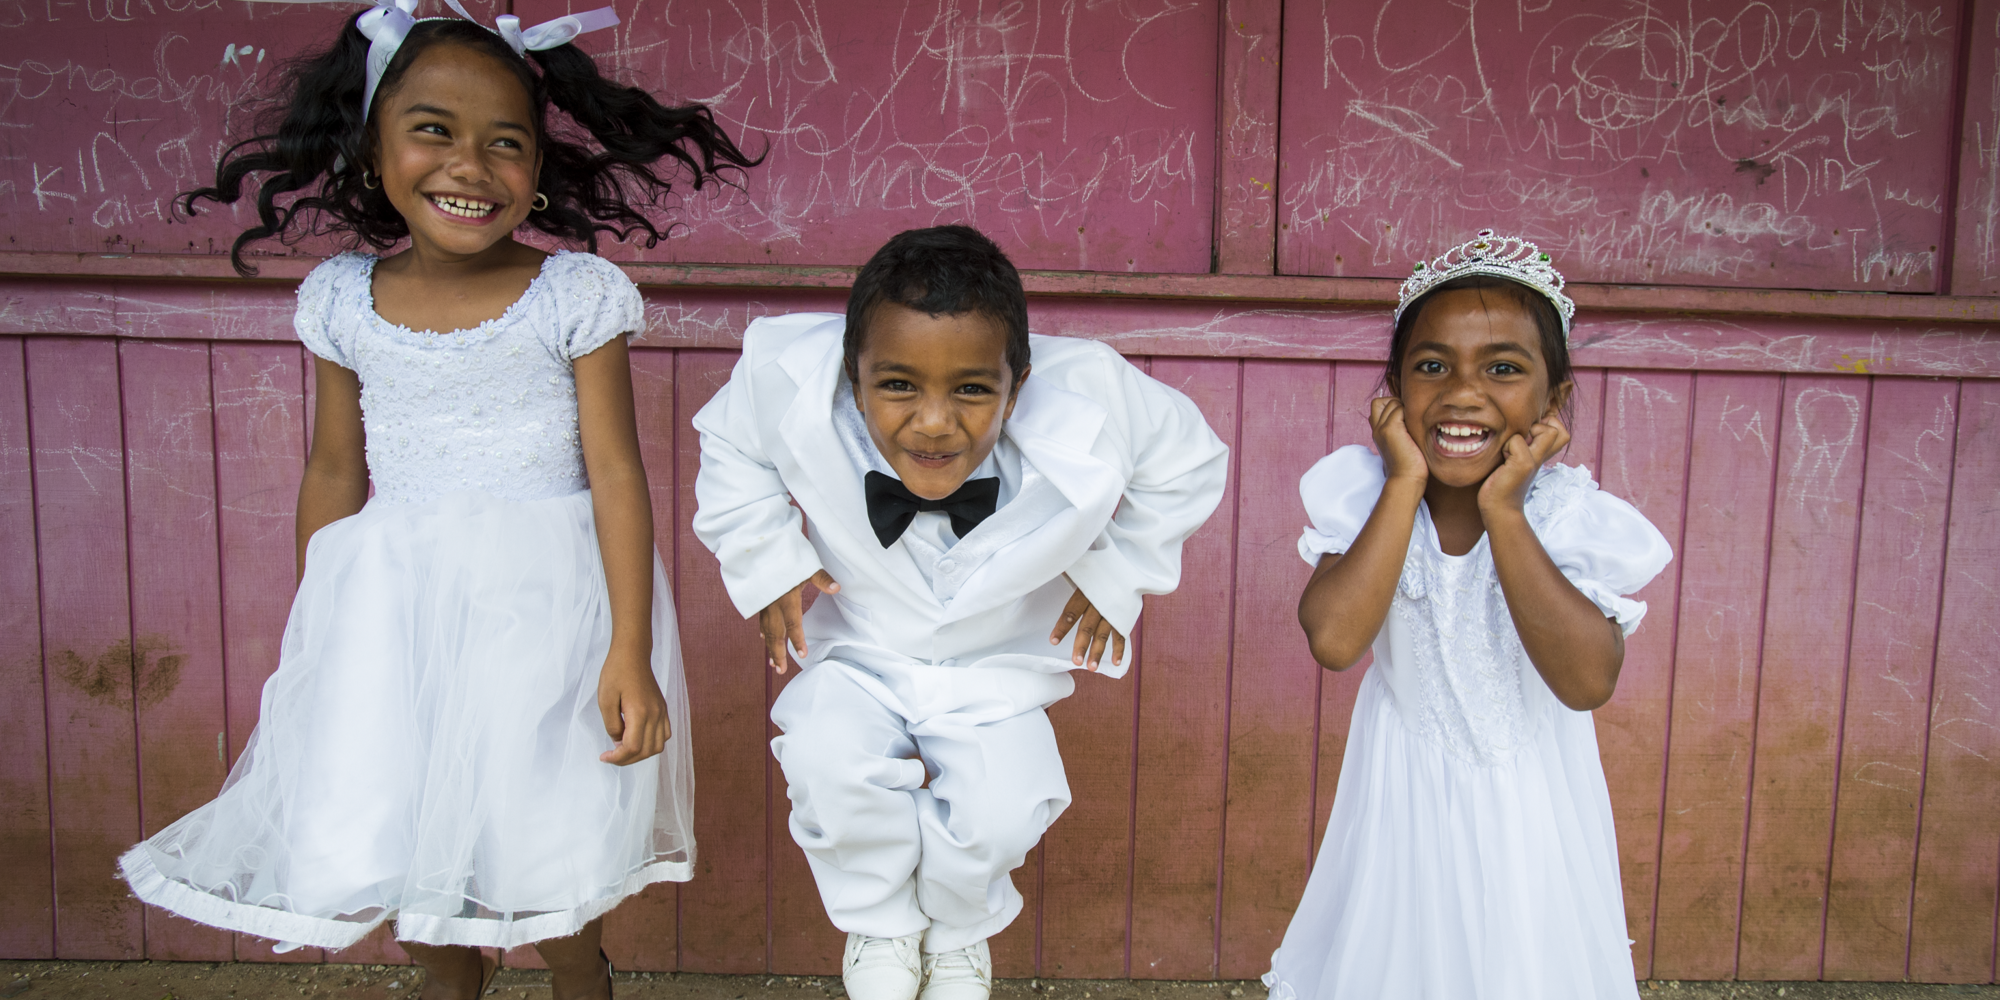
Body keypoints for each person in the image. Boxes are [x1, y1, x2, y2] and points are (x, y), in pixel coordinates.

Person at [118, 3, 758, 997]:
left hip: (544, 613)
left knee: (544, 837)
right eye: (433, 131)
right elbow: (334, 470)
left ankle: (579, 970)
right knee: (408, 822)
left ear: (536, 169)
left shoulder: (572, 294)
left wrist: (627, 646)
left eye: (505, 143)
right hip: (394, 609)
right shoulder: (340, 297)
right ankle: (446, 978)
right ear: (371, 151)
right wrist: (323, 628)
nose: (469, 164)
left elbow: (617, 473)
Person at [691, 225, 1228, 1000]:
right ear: (852, 374)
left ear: (1020, 382)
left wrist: (1119, 574)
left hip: (999, 661)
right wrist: (768, 558)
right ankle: (880, 922)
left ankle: (957, 934)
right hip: (864, 647)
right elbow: (730, 443)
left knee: (1002, 810)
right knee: (825, 757)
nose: (935, 423)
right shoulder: (789, 376)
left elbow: (1190, 461)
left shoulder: (1098, 396)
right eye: (899, 385)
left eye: (972, 390)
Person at [1267, 232, 1673, 1000]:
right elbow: (1336, 639)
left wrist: (1505, 513)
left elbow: (1587, 680)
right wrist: (1402, 484)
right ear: (1392, 391)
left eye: (1503, 368)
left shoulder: (1569, 520)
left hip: (1533, 807)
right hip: (1402, 800)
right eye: (1431, 366)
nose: (1461, 391)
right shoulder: (1365, 498)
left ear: (1553, 400)